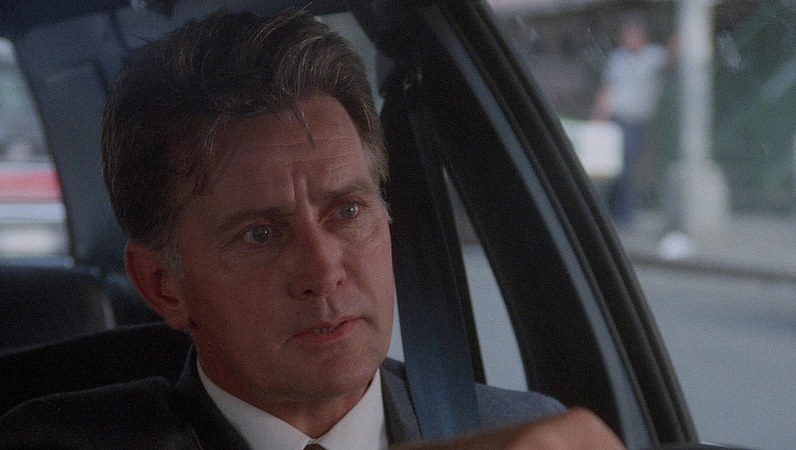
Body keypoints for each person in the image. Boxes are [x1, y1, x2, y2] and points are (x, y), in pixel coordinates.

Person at [0, 10, 624, 450]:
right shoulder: (55, 441)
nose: (324, 271)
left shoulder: (528, 432)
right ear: (164, 285)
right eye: (260, 235)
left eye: (347, 212)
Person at [593, 13, 673, 227]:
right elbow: (607, 89)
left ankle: (624, 213)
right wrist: (599, 117)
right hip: (616, 118)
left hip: (637, 121)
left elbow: (670, 59)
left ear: (642, 36)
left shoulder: (653, 56)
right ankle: (613, 211)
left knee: (626, 164)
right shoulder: (617, 58)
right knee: (613, 167)